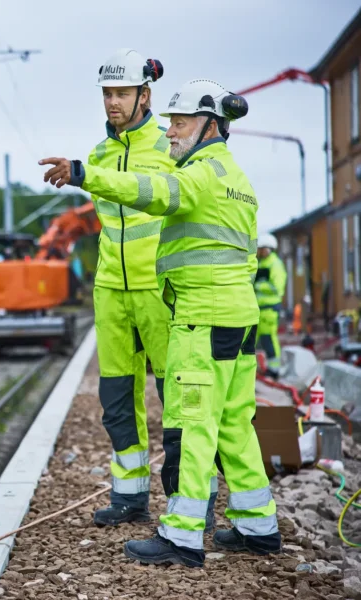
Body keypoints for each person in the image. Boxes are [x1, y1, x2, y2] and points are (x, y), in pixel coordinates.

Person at [38, 79, 281, 568]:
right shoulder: (238, 179)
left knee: (192, 424)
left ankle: (183, 535)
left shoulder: (200, 175)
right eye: (170, 121)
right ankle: (259, 527)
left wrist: (87, 174)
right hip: (238, 316)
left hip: (201, 317)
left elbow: (151, 190)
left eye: (182, 122)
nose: (172, 131)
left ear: (211, 125)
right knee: (235, 422)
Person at [83, 49, 179, 528]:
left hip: (156, 290)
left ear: (145, 95)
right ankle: (130, 498)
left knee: (175, 398)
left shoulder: (168, 147)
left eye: (121, 93)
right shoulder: (99, 153)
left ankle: (184, 508)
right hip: (110, 291)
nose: (112, 103)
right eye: (106, 94)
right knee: (118, 400)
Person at [255, 234, 287, 378]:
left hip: (270, 308)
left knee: (268, 337)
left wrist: (258, 285)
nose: (259, 251)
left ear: (268, 249)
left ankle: (275, 369)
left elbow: (277, 287)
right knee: (256, 339)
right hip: (259, 308)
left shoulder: (275, 264)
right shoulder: (261, 263)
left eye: (261, 249)